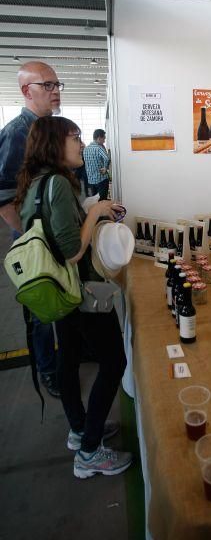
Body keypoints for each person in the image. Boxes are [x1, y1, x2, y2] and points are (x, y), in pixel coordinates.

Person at [15, 116, 132, 478]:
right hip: (77, 290)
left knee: (67, 360)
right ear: (55, 143)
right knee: (113, 363)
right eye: (74, 137)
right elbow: (71, 250)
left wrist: (87, 211)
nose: (81, 144)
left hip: (54, 291)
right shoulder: (59, 185)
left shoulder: (34, 184)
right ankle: (90, 452)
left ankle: (80, 428)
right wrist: (95, 211)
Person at [0, 61, 63, 397]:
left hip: (55, 237)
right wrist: (28, 236)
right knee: (40, 310)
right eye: (48, 85)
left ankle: (65, 358)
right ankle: (47, 369)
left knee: (60, 297)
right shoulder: (17, 133)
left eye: (57, 85)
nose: (55, 92)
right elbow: (3, 196)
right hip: (33, 241)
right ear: (27, 91)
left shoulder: (48, 130)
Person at [83, 129, 110, 200]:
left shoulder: (86, 149)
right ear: (99, 138)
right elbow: (107, 158)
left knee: (94, 200)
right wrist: (105, 168)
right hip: (101, 179)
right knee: (103, 200)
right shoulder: (99, 148)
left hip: (91, 181)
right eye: (104, 138)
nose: (104, 141)